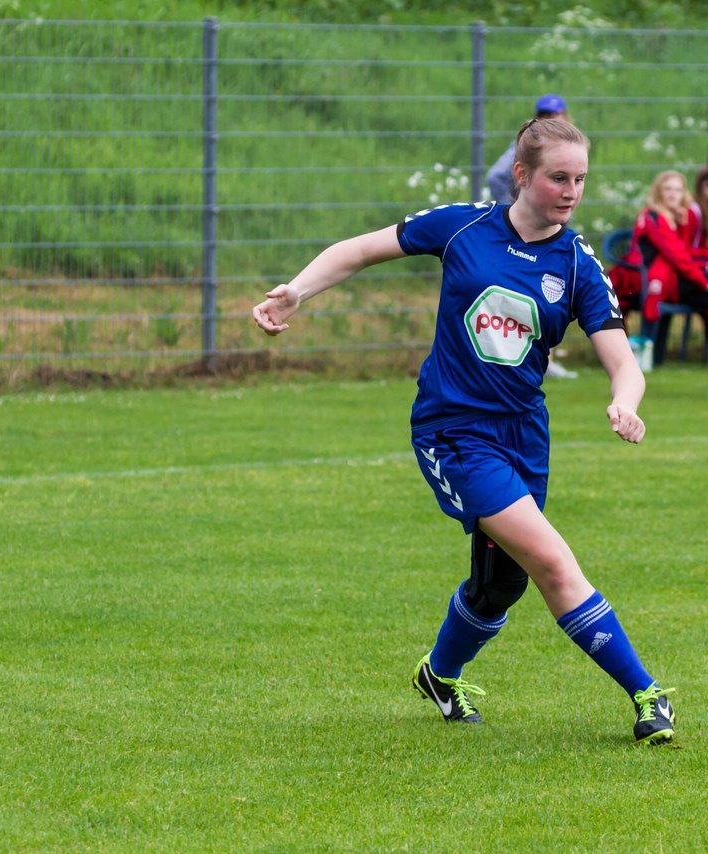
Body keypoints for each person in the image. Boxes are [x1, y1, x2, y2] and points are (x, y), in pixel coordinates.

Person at [253, 117, 677, 746]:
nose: (571, 191)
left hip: (524, 436)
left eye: (581, 179)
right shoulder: (464, 226)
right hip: (454, 433)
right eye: (559, 177)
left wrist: (626, 401)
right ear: (523, 175)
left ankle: (440, 676)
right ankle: (646, 696)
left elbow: (621, 359)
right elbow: (362, 249)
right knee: (554, 564)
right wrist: (297, 291)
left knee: (501, 583)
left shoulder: (580, 264)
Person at [487, 94, 577, 379]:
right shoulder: (529, 146)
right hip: (525, 236)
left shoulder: (572, 145)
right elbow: (496, 176)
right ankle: (530, 359)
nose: (551, 119)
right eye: (544, 114)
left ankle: (540, 358)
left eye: (555, 114)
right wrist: (514, 209)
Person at [608, 170, 708, 354]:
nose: (672, 194)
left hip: (673, 280)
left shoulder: (675, 218)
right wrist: (703, 282)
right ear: (658, 192)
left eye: (677, 190)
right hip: (654, 282)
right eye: (667, 189)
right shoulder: (653, 218)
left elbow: (684, 251)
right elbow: (677, 256)